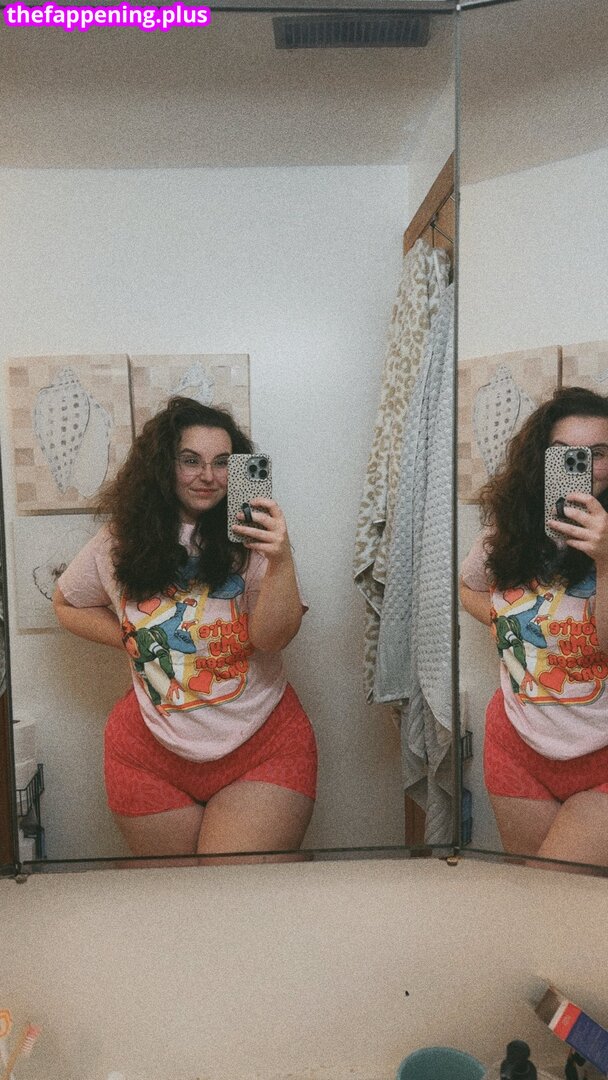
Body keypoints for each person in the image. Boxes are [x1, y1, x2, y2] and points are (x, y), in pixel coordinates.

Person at [53, 396, 317, 860]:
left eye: (222, 462)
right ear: (163, 466)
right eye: (190, 460)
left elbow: (272, 639)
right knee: (175, 894)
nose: (208, 476)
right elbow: (66, 602)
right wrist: (133, 639)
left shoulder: (252, 536)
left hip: (263, 745)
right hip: (146, 754)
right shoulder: (118, 541)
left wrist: (279, 557)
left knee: (237, 889)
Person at [459, 386, 608, 867]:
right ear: (541, 459)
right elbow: (468, 588)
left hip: (602, 749)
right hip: (518, 742)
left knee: (558, 884)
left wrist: (605, 560)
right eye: (563, 452)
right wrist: (506, 623)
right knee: (529, 890)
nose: (583, 466)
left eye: (598, 453)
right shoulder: (507, 532)